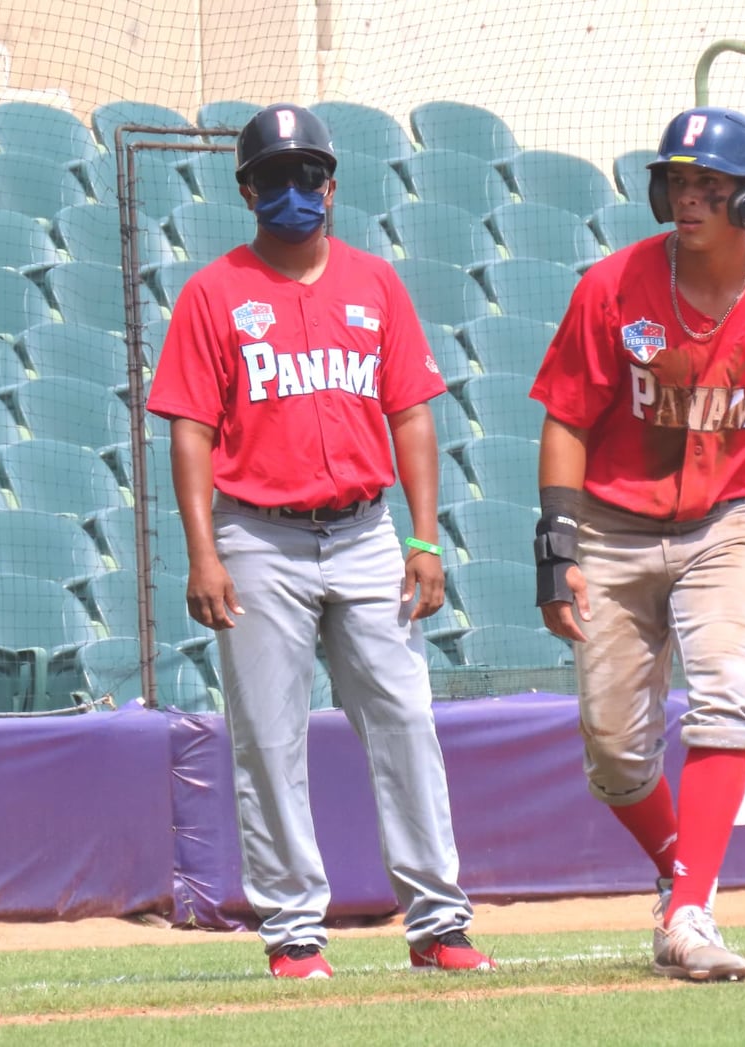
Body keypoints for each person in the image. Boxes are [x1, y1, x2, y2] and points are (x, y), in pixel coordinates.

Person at [529, 107, 745, 982]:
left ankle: (688, 910)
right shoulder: (612, 286)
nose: (687, 201)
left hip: (729, 524)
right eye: (678, 184)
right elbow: (567, 420)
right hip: (612, 531)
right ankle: (677, 867)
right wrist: (555, 545)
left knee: (728, 695)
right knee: (615, 759)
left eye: (709, 188)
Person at [146, 103, 493, 979]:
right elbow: (189, 430)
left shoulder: (376, 284)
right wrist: (203, 551)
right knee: (268, 736)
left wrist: (426, 539)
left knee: (406, 719)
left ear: (332, 185)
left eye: (306, 173)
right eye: (274, 176)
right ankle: (294, 930)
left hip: (369, 530)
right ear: (246, 189)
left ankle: (439, 922)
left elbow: (411, 414)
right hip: (258, 537)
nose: (292, 190)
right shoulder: (213, 291)